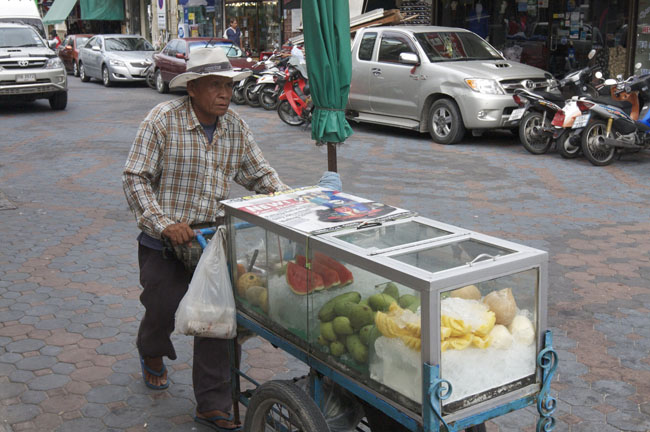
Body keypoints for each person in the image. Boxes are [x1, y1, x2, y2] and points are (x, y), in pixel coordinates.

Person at [123, 47, 339, 431]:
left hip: (212, 238)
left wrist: (294, 205)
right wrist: (163, 223)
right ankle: (151, 350)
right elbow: (135, 177)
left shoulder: (235, 126)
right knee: (162, 308)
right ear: (193, 89)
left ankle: (212, 403)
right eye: (216, 86)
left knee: (217, 318)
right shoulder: (162, 120)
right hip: (166, 237)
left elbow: (261, 176)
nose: (224, 93)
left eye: (228, 85)